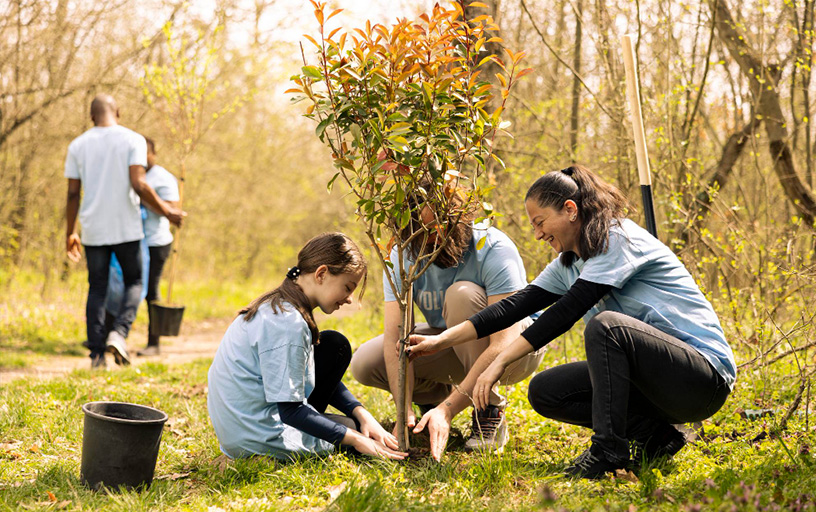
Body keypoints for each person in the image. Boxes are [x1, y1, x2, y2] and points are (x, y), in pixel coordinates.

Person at [408, 165, 736, 478]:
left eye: (540, 222)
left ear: (569, 209)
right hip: (656, 384)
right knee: (547, 391)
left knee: (608, 326)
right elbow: (515, 306)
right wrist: (442, 339)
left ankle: (609, 452)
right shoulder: (571, 261)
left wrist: (500, 361)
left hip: (701, 379)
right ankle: (657, 436)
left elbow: (566, 312)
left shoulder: (617, 238)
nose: (537, 234)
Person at [350, 184, 545, 460]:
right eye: (423, 233)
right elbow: (397, 338)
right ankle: (430, 401)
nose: (433, 239)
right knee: (366, 362)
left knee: (461, 296)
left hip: (516, 349)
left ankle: (488, 410)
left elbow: (504, 340)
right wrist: (403, 411)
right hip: (453, 345)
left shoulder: (492, 246)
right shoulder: (404, 254)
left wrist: (449, 410)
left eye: (439, 228)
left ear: (459, 217)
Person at [207, 233, 407, 461]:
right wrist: (355, 438)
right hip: (255, 437)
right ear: (321, 274)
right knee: (353, 437)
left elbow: (302, 371)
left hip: (241, 429)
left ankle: (345, 426)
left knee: (334, 346)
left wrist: (361, 412)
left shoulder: (279, 306)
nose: (349, 298)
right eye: (347, 287)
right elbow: (290, 411)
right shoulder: (288, 324)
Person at [65, 94, 185, 369]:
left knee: (97, 288)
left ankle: (96, 355)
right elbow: (139, 184)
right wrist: (169, 212)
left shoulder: (77, 145)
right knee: (136, 283)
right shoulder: (133, 140)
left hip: (93, 229)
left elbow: (73, 194)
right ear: (118, 112)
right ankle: (119, 333)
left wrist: (70, 232)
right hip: (127, 229)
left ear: (91, 115)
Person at [136, 137, 180, 357]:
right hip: (132, 239)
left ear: (152, 153)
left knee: (151, 291)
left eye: (144, 152)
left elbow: (174, 210)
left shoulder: (163, 178)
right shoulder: (133, 173)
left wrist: (145, 198)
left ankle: (154, 343)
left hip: (156, 242)